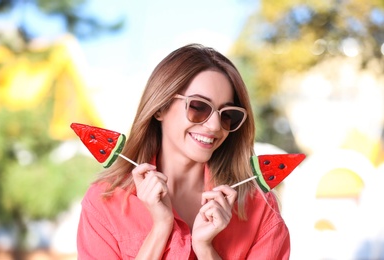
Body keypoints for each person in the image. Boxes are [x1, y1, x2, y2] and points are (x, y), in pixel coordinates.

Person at [77, 44, 290, 259]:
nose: (215, 126)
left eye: (228, 115)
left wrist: (205, 249)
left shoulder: (259, 207)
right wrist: (160, 229)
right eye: (198, 107)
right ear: (160, 107)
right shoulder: (105, 201)